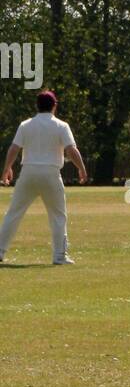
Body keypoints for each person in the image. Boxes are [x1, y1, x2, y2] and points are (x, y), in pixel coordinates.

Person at [0, 90, 86, 265]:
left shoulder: (25, 125)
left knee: (13, 214)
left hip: (28, 173)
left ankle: (0, 251)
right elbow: (71, 150)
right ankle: (59, 256)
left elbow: (14, 149)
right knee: (58, 215)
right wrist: (82, 169)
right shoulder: (61, 126)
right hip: (51, 174)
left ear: (37, 106)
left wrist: (6, 169)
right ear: (54, 105)